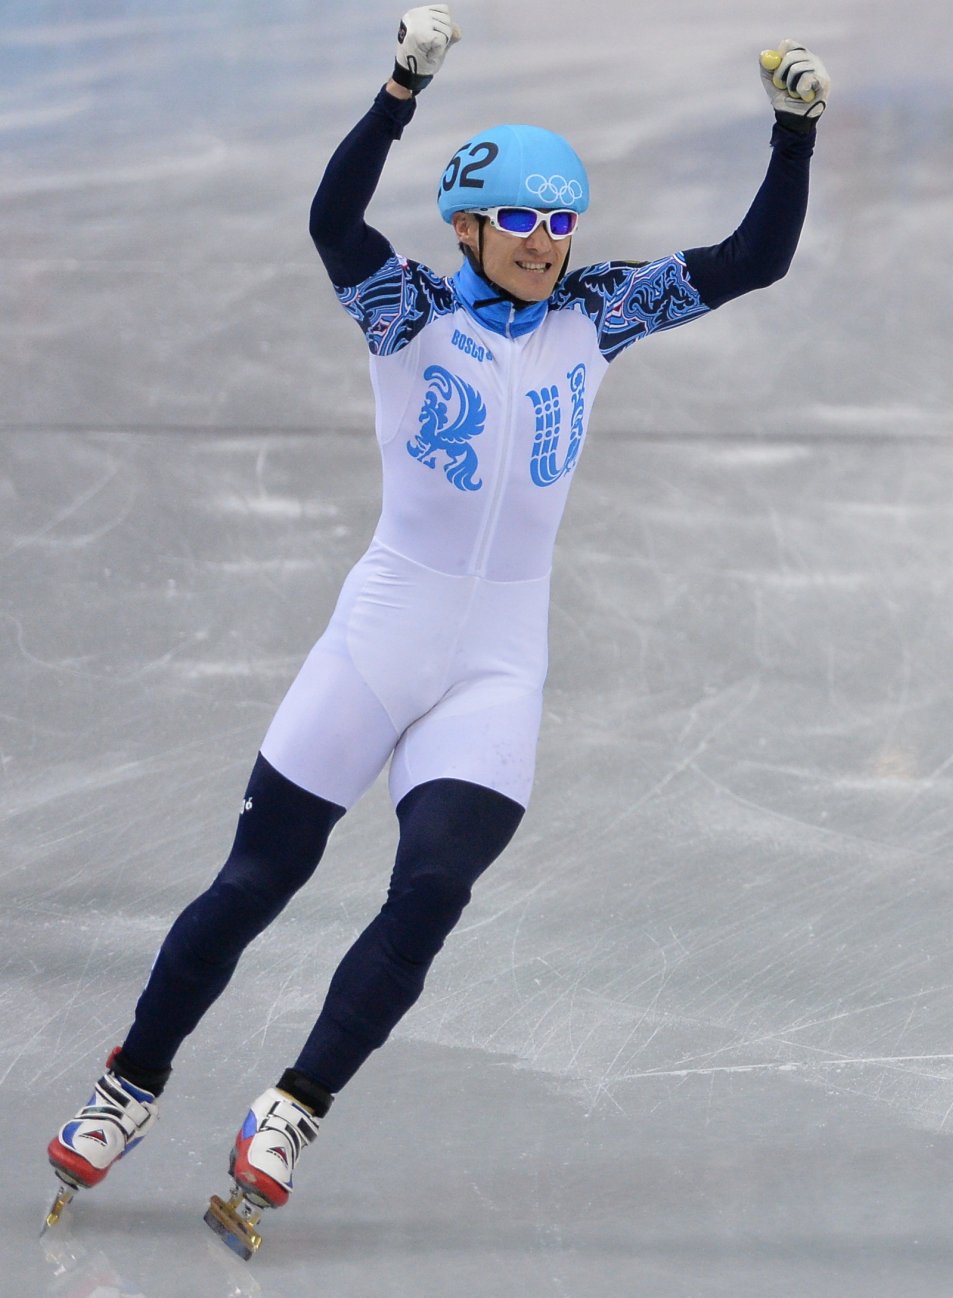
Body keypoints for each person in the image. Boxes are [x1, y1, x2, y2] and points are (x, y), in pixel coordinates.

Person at [45, 5, 831, 1256]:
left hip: (497, 660)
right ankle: (128, 1084)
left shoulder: (603, 312)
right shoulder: (406, 310)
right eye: (522, 218)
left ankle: (292, 1107)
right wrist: (399, 92)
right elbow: (332, 225)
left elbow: (754, 261)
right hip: (382, 634)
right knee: (257, 881)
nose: (547, 241)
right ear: (468, 225)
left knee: (433, 888)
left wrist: (795, 138)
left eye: (562, 218)